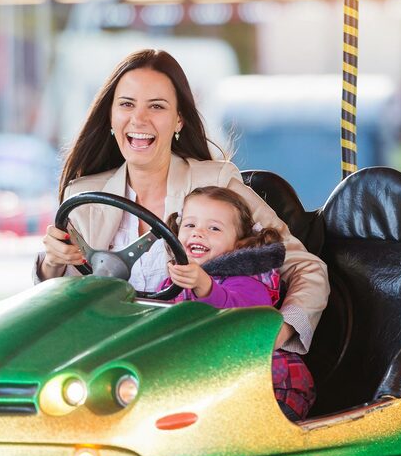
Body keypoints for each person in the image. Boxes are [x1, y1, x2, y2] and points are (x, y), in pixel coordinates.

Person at [36, 48, 329, 355]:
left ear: (178, 121)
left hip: (190, 361)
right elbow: (59, 308)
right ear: (111, 116)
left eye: (156, 106)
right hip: (107, 358)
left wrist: (279, 333)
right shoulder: (82, 197)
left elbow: (307, 269)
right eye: (126, 104)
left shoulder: (214, 183)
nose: (139, 118)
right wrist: (52, 262)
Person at [161, 186, 315, 420]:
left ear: (239, 243)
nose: (198, 233)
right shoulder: (173, 281)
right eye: (190, 225)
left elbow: (244, 319)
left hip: (264, 385)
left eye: (214, 228)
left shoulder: (249, 280)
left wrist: (207, 288)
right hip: (209, 380)